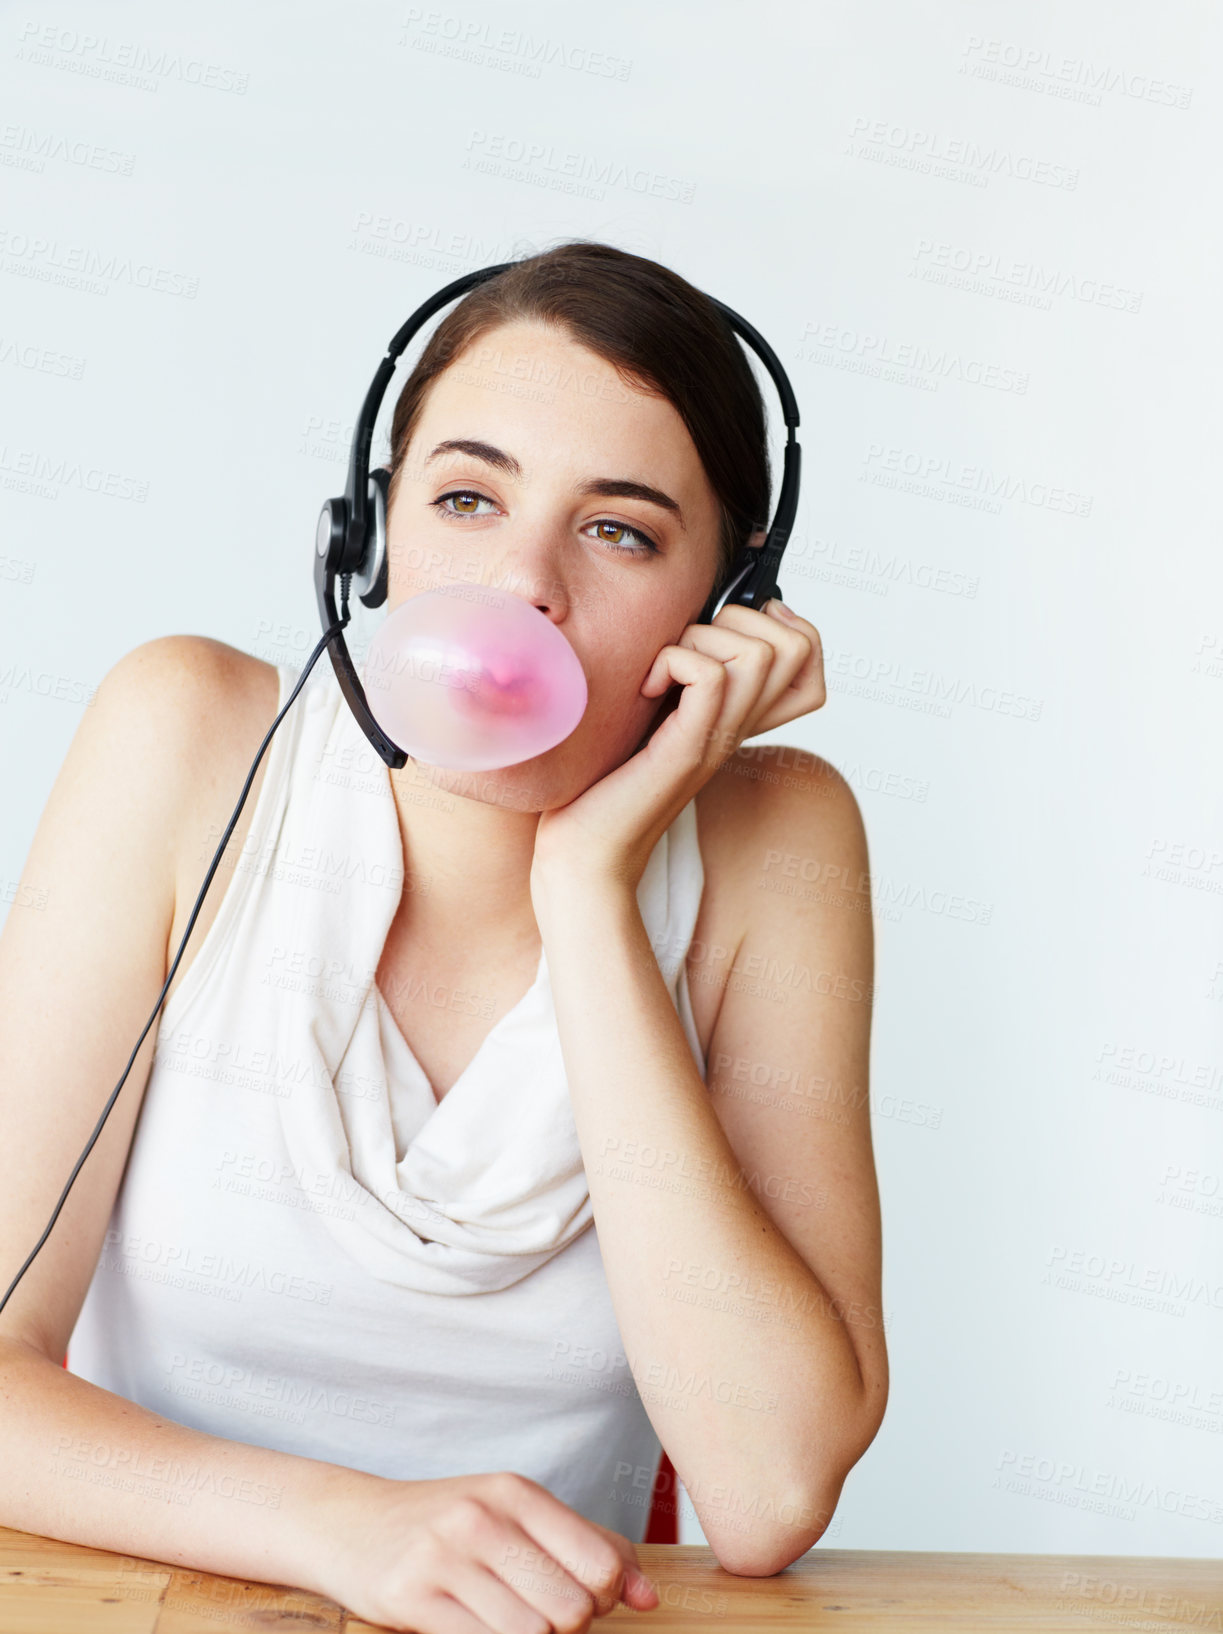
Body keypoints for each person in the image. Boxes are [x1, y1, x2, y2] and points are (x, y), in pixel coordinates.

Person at [0, 240, 887, 1633]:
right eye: (467, 497)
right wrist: (341, 1524)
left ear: (728, 615)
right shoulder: (188, 740)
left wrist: (591, 883)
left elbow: (769, 1487)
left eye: (622, 530)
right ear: (371, 540)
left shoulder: (777, 845)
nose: (523, 584)